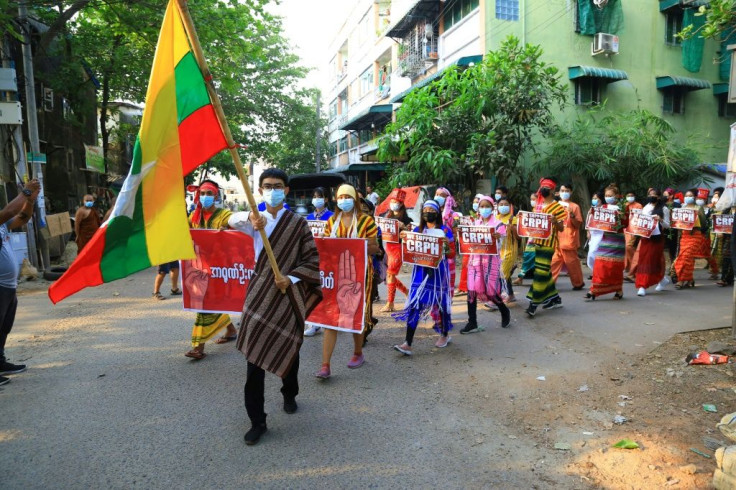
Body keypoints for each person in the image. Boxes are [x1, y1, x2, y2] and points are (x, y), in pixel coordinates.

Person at [227, 168, 322, 446]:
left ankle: (289, 393)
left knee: (290, 347)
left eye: (277, 186)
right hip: (259, 295)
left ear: (287, 191)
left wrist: (290, 278)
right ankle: (257, 420)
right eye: (267, 186)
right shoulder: (254, 219)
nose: (272, 190)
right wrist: (249, 218)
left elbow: (312, 261)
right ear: (259, 190)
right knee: (253, 359)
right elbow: (228, 220)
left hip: (287, 294)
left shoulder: (297, 223)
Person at [315, 184, 379, 379]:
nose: (343, 200)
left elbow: (375, 247)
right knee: (330, 319)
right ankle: (325, 365)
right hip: (335, 275)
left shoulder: (366, 221)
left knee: (354, 315)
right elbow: (325, 247)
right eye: (340, 196)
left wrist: (358, 245)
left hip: (359, 273)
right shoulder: (332, 221)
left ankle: (358, 352)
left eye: (347, 196)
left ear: (355, 199)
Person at [184, 180, 238, 360]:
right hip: (199, 267)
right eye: (203, 194)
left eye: (209, 193)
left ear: (216, 196)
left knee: (204, 306)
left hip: (220, 268)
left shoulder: (224, 215)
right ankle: (231, 330)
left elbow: (236, 228)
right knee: (209, 303)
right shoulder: (193, 217)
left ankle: (198, 346)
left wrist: (228, 230)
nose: (205, 197)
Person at [392, 200, 454, 354]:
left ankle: (445, 334)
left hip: (439, 273)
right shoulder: (418, 229)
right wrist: (405, 238)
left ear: (437, 213)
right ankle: (408, 342)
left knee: (440, 304)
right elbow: (409, 249)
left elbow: (452, 253)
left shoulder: (445, 230)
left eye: (431, 209)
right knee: (415, 304)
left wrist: (446, 245)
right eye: (425, 209)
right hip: (420, 273)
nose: (428, 212)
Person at [0, 179, 41, 386]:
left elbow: (22, 218)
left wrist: (30, 201)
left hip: (8, 287)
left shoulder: (3, 226)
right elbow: (7, 212)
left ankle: (0, 361)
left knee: (4, 327)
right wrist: (26, 192)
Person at [461, 196, 510, 333]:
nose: (484, 209)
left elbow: (501, 243)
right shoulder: (474, 224)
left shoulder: (499, 225)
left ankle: (504, 311)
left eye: (486, 206)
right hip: (475, 261)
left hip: (490, 262)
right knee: (471, 290)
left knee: (491, 292)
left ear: (492, 207)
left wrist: (497, 238)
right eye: (481, 206)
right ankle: (472, 322)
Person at [525, 178, 566, 317]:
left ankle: (534, 303)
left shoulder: (558, 208)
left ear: (553, 190)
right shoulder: (538, 205)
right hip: (537, 242)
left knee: (540, 273)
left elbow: (561, 229)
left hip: (549, 244)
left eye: (547, 187)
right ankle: (555, 299)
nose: (544, 189)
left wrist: (555, 222)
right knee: (544, 271)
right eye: (543, 187)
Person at [585, 185, 628, 300]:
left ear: (617, 196)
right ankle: (594, 290)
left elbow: (626, 224)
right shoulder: (603, 207)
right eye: (606, 196)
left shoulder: (622, 208)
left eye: (611, 195)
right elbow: (595, 221)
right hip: (605, 239)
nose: (608, 197)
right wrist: (592, 214)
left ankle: (619, 290)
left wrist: (621, 217)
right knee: (600, 265)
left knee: (615, 267)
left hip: (617, 240)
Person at [303, 187, 333, 337]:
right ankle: (313, 323)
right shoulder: (308, 217)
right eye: (314, 196)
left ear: (326, 199)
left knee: (328, 289)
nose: (316, 199)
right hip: (313, 258)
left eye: (320, 196)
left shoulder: (332, 217)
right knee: (312, 289)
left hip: (328, 258)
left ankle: (332, 319)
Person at [380, 189, 412, 312]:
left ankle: (390, 303)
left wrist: (403, 227)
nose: (394, 203)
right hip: (388, 247)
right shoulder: (386, 216)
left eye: (396, 201)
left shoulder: (406, 220)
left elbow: (410, 234)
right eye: (392, 201)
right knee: (389, 276)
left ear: (401, 203)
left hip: (399, 249)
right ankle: (406, 291)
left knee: (390, 274)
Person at [635, 189, 670, 296]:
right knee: (644, 260)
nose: (651, 196)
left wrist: (660, 220)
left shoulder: (664, 209)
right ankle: (657, 280)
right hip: (645, 237)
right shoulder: (646, 207)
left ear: (659, 197)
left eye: (654, 195)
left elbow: (668, 225)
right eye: (650, 194)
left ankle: (643, 285)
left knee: (651, 260)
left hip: (656, 238)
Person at [673, 188, 710, 289]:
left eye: (690, 196)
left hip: (695, 235)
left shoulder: (698, 208)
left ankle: (681, 280)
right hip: (684, 235)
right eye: (686, 196)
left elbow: (704, 223)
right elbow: (677, 222)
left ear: (694, 198)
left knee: (686, 256)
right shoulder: (681, 208)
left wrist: (695, 219)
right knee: (685, 258)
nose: (688, 197)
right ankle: (689, 279)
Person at [550, 183, 585, 290]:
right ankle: (549, 283)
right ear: (558, 192)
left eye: (567, 191)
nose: (565, 193)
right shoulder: (554, 205)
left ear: (571, 192)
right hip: (556, 238)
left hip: (569, 238)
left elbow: (578, 224)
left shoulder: (575, 206)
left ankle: (578, 283)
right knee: (554, 262)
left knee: (572, 263)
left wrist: (572, 215)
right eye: (563, 191)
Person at [434, 187, 459, 296]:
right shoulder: (432, 212)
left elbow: (456, 233)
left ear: (448, 198)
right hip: (434, 251)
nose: (438, 197)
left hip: (448, 250)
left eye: (442, 195)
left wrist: (447, 238)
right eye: (436, 194)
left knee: (448, 277)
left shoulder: (454, 215)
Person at [458, 193, 483, 295]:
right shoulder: (470, 217)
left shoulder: (487, 217)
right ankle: (463, 287)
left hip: (481, 246)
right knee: (465, 263)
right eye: (474, 202)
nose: (475, 204)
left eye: (478, 202)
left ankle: (479, 289)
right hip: (469, 245)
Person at [495, 197, 519, 303]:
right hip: (498, 250)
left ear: (510, 206)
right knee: (504, 273)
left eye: (506, 204)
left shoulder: (514, 219)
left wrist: (511, 227)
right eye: (501, 204)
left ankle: (502, 295)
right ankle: (511, 294)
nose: (503, 206)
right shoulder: (495, 218)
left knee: (503, 271)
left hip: (510, 250)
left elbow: (519, 237)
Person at [513, 192, 539, 286]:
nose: (532, 201)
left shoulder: (544, 210)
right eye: (531, 199)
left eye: (534, 199)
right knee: (528, 257)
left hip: (541, 240)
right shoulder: (533, 210)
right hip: (532, 239)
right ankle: (520, 277)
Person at [623, 191, 643, 281]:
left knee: (629, 246)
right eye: (628, 195)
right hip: (624, 228)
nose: (630, 197)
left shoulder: (638, 205)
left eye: (631, 195)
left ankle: (634, 269)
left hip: (633, 229)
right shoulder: (624, 205)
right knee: (625, 247)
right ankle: (629, 268)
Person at [587, 191, 605, 275]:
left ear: (601, 199)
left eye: (596, 198)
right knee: (591, 254)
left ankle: (599, 271)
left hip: (601, 234)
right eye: (593, 198)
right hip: (593, 234)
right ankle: (595, 270)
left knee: (595, 252)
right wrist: (588, 232)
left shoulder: (605, 209)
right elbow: (588, 221)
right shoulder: (591, 209)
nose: (594, 200)